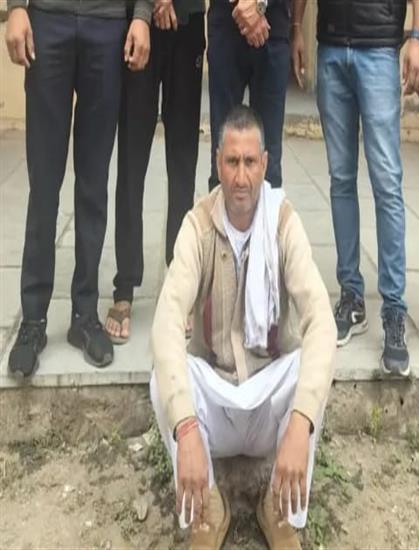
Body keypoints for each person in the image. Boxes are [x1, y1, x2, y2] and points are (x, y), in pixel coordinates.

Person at [150, 106, 336, 549]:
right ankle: (208, 508)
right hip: (217, 396)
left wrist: (301, 421)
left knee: (310, 365)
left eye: (250, 162)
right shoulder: (197, 225)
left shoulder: (283, 221)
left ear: (265, 164)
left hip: (268, 400)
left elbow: (321, 321)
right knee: (164, 377)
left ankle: (280, 508)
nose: (240, 177)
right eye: (232, 162)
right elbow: (167, 320)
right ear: (218, 163)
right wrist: (186, 427)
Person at [5, 0, 152, 375]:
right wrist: (17, 8)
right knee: (44, 182)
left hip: (106, 25)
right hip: (47, 21)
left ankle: (84, 314)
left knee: (93, 181)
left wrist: (141, 15)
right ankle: (33, 320)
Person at [291, 0, 419, 377]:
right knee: (340, 178)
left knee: (387, 184)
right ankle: (351, 295)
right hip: (331, 46)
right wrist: (297, 27)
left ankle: (394, 309)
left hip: (379, 49)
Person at [105, 0, 206, 344]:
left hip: (188, 21)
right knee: (132, 160)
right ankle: (125, 286)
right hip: (140, 23)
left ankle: (179, 278)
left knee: (183, 163)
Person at [207, 0, 291, 190]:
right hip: (225, 24)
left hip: (273, 28)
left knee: (269, 160)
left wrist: (259, 4)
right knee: (223, 152)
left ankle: (267, 210)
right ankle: (221, 210)